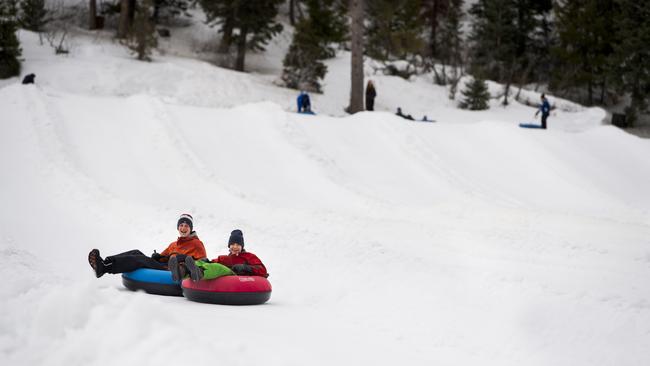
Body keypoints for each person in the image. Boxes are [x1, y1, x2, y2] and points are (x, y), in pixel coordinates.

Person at [87, 214, 207, 278]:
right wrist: (157, 257)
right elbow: (163, 257)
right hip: (163, 265)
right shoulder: (174, 244)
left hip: (172, 270)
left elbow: (203, 261)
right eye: (181, 225)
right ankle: (105, 262)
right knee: (136, 252)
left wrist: (183, 259)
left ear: (191, 229)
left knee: (140, 260)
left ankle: (105, 267)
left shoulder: (196, 244)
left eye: (186, 226)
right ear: (178, 227)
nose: (183, 228)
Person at [169, 229, 268, 282]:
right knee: (203, 262)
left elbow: (263, 270)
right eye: (232, 244)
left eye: (238, 245)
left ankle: (199, 273)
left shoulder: (249, 256)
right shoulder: (225, 258)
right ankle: (182, 270)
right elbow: (212, 262)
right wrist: (204, 261)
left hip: (237, 277)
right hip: (226, 277)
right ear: (229, 246)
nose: (235, 247)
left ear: (242, 246)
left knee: (218, 267)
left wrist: (246, 267)